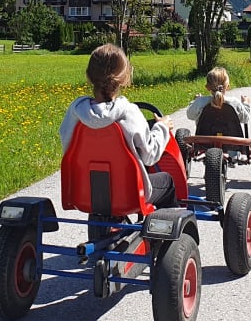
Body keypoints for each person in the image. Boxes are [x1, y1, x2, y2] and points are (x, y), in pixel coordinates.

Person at [59, 43, 177, 208]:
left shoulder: (75, 111)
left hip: (84, 192)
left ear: (89, 76)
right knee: (167, 181)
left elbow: (68, 147)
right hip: (129, 194)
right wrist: (162, 127)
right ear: (124, 78)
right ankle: (163, 230)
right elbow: (150, 156)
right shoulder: (129, 112)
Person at [186, 66, 251, 126]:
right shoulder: (234, 102)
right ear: (228, 87)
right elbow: (245, 119)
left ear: (207, 87)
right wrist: (245, 104)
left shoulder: (200, 102)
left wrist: (195, 101)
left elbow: (190, 115)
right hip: (229, 138)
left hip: (205, 138)